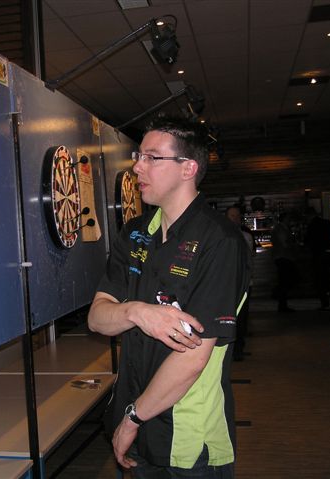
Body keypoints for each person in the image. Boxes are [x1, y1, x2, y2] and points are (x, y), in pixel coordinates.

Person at [88, 117, 250, 478]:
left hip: (190, 438)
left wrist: (133, 419)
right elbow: (97, 318)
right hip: (137, 421)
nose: (137, 166)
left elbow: (193, 357)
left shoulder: (220, 241)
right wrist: (137, 312)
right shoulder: (135, 234)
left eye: (152, 157)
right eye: (139, 156)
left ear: (187, 168)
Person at [225, 204, 256, 361]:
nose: (235, 219)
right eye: (232, 216)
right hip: (226, 285)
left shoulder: (246, 236)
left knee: (242, 318)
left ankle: (238, 349)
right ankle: (229, 351)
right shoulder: (220, 235)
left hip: (243, 284)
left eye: (237, 216)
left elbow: (250, 258)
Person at [304, 206, 330, 310]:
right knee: (326, 277)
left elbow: (307, 240)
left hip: (317, 255)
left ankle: (324, 301)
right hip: (327, 253)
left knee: (319, 278)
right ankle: (328, 294)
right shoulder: (326, 223)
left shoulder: (311, 225)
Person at [270, 212, 299, 312]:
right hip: (283, 257)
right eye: (288, 218)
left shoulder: (281, 228)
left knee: (285, 280)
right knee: (286, 280)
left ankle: (282, 302)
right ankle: (280, 299)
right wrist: (293, 245)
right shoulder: (281, 229)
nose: (290, 220)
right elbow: (284, 243)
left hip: (282, 256)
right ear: (285, 219)